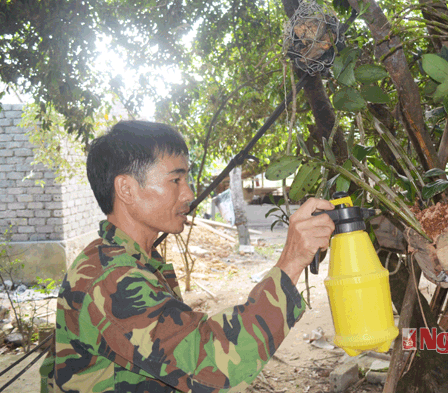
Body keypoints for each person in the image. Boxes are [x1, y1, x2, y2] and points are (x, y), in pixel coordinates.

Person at [39, 120, 335, 392]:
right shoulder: (109, 277)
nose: (189, 194)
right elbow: (211, 365)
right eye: (175, 181)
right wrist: (291, 260)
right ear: (127, 189)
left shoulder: (136, 260)